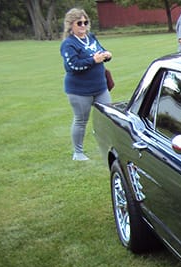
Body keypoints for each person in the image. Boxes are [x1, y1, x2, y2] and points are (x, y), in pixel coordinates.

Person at [60, 8, 112, 161]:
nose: (83, 26)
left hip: (100, 87)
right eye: (79, 23)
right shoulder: (68, 44)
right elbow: (72, 66)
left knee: (108, 116)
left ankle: (109, 146)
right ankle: (78, 152)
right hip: (79, 91)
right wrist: (93, 61)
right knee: (81, 120)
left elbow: (100, 51)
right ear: (71, 25)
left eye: (85, 22)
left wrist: (106, 55)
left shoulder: (91, 37)